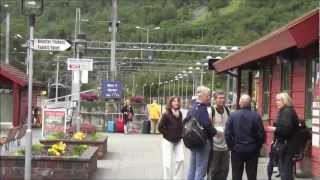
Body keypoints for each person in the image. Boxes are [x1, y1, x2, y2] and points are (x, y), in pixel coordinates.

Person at [225, 94, 265, 180]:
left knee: (236, 175)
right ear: (250, 103)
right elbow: (261, 134)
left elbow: (227, 133)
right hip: (252, 149)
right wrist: (257, 146)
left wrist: (231, 146)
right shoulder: (256, 116)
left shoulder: (233, 116)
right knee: (252, 175)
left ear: (240, 103)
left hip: (237, 149)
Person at [187, 86, 217, 180]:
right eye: (208, 96)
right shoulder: (202, 108)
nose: (209, 98)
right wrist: (215, 132)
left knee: (192, 168)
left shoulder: (192, 107)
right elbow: (207, 125)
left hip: (193, 141)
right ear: (200, 96)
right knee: (201, 169)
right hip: (202, 142)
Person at [268, 92, 299, 180]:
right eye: (276, 100)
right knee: (284, 171)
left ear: (285, 101)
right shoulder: (284, 111)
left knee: (285, 172)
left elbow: (286, 130)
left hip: (287, 146)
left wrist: (275, 129)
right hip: (285, 145)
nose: (276, 102)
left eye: (279, 100)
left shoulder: (287, 111)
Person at [158, 96, 184, 180]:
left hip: (178, 140)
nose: (176, 103)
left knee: (180, 159)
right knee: (167, 163)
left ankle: (177, 178)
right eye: (174, 101)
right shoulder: (166, 114)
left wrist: (181, 134)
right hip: (167, 141)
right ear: (170, 103)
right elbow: (160, 127)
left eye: (177, 101)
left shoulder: (180, 113)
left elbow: (181, 126)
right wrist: (168, 134)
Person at [207, 91, 230, 180]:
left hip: (225, 147)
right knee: (213, 170)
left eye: (223, 98)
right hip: (214, 147)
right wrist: (215, 131)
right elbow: (207, 127)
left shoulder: (227, 110)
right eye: (220, 98)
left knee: (224, 170)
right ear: (215, 99)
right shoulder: (211, 111)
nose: (222, 100)